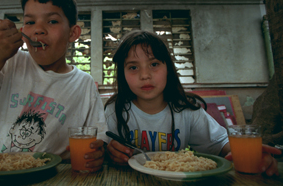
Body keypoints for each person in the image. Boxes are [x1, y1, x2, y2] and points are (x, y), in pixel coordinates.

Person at [0, 0, 107, 172]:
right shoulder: (10, 63)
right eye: (30, 22)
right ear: (22, 31)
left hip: (54, 178)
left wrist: (97, 153)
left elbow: (99, 140)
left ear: (73, 33)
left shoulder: (84, 84)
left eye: (52, 21)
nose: (38, 30)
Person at [105, 30, 281, 176]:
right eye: (133, 67)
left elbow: (220, 144)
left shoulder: (186, 110)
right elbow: (101, 150)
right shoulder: (115, 111)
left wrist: (247, 154)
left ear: (168, 68)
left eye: (154, 64)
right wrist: (110, 152)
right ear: (123, 74)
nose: (145, 75)